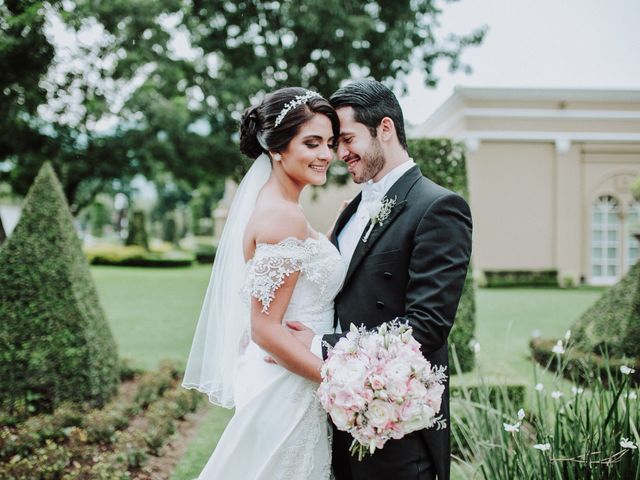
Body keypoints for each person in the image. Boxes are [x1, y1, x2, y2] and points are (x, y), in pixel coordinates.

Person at [290, 79, 473, 480]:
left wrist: (321, 345)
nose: (340, 154)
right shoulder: (353, 209)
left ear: (385, 129)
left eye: (348, 139)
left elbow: (426, 327)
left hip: (399, 430)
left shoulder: (439, 207)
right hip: (339, 418)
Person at [182, 87, 344, 479]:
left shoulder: (282, 208)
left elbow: (298, 277)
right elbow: (264, 330)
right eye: (312, 143)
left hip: (289, 374)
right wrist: (339, 381)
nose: (326, 154)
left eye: (330, 143)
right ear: (277, 150)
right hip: (289, 384)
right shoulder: (282, 216)